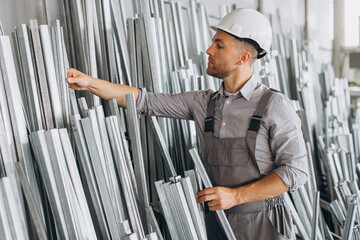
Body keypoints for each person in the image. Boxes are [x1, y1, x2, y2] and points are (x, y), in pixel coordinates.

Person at [67, 8, 308, 240]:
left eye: (219, 45)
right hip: (218, 222)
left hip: (263, 224)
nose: (208, 50)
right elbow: (144, 101)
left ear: (243, 58)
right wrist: (89, 83)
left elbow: (296, 172)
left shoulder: (273, 105)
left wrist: (236, 196)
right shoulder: (205, 104)